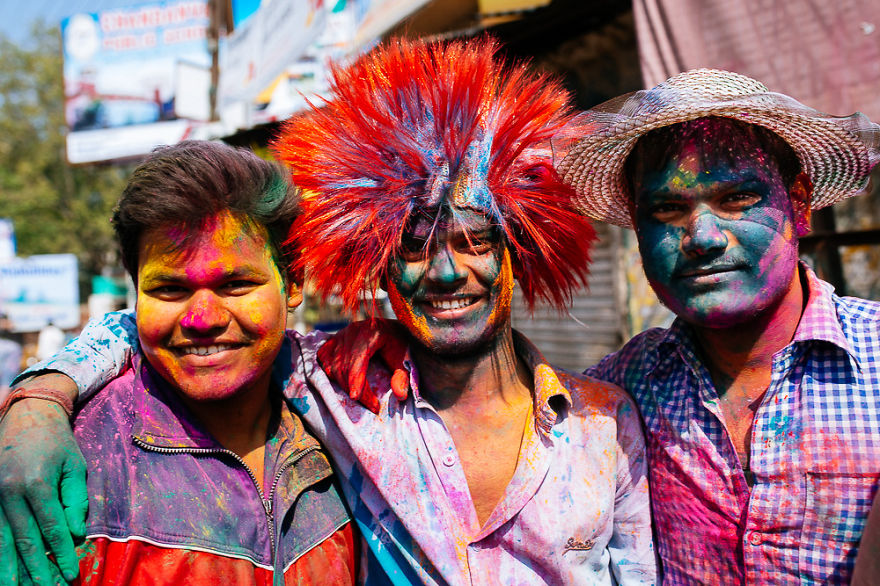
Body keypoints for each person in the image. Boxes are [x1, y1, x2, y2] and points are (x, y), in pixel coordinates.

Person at [0, 38, 656, 585]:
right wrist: (41, 398)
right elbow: (178, 322)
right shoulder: (338, 392)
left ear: (523, 250)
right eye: (415, 245)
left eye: (475, 240)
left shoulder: (606, 424)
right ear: (380, 268)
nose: (448, 270)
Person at [290, 67, 880, 583]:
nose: (702, 237)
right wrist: (378, 338)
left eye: (736, 199)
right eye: (667, 209)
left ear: (799, 201)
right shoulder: (620, 396)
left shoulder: (873, 355)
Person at [0, 140, 358, 585]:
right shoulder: (70, 467)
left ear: (292, 284)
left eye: (236, 284)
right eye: (169, 289)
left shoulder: (348, 426)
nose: (202, 319)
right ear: (136, 297)